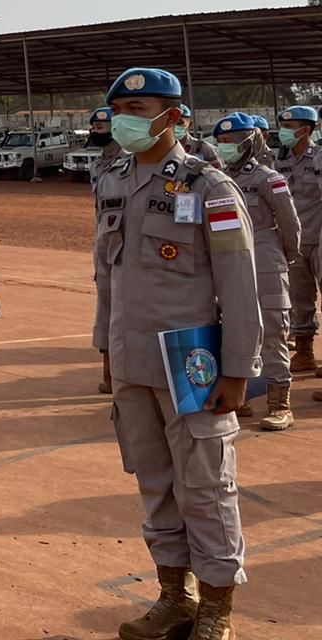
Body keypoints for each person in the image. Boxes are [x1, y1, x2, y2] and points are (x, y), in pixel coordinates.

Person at [94, 69, 260, 640]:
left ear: (172, 114)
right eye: (120, 107)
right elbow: (106, 278)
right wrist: (106, 351)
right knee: (155, 483)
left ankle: (216, 608)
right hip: (133, 360)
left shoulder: (209, 186)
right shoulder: (112, 180)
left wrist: (238, 370)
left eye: (138, 106)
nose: (125, 118)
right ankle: (174, 597)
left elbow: (239, 285)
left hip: (192, 365)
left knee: (207, 486)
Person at [211, 113, 301, 430]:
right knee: (233, 326)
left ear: (249, 141)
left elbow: (290, 225)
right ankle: (243, 395)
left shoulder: (268, 178)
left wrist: (283, 257)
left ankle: (280, 404)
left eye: (231, 142)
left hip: (264, 255)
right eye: (220, 143)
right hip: (229, 258)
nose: (224, 148)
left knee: (274, 329)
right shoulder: (216, 179)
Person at [274, 106, 322, 383]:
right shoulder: (279, 161)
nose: (284, 132)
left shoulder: (318, 157)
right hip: (295, 239)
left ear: (306, 129)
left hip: (319, 234)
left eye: (290, 127)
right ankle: (304, 351)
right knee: (299, 298)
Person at [86, 108, 123, 395]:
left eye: (103, 126)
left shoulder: (131, 163)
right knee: (106, 311)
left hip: (127, 248)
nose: (98, 130)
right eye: (95, 126)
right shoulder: (97, 165)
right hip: (104, 245)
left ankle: (124, 373)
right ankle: (109, 373)